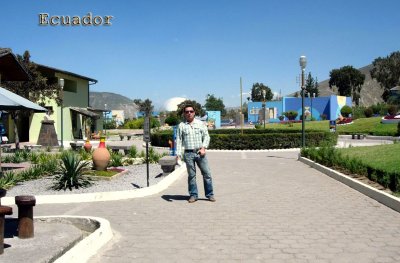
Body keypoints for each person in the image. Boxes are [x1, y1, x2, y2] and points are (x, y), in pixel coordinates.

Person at [176, 104, 215, 203]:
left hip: (200, 153)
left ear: (194, 113)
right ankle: (193, 195)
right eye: (187, 111)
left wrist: (203, 148)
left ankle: (210, 194)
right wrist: (178, 155)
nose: (189, 113)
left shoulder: (200, 123)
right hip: (188, 154)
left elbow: (206, 136)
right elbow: (179, 141)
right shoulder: (181, 126)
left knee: (207, 174)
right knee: (191, 176)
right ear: (184, 114)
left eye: (191, 111)